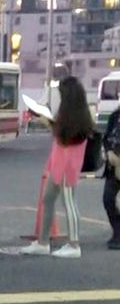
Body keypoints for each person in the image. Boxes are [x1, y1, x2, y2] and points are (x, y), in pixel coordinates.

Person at [12, 76, 96, 258]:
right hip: (59, 162)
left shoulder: (74, 117)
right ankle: (42, 242)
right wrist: (50, 123)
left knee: (69, 203)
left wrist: (49, 123)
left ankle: (74, 245)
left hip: (66, 164)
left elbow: (65, 138)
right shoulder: (76, 115)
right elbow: (64, 134)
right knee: (48, 199)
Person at [104, 105, 120, 250]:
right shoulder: (115, 116)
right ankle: (117, 231)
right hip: (114, 165)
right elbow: (107, 138)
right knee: (108, 199)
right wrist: (109, 152)